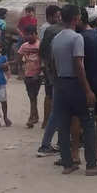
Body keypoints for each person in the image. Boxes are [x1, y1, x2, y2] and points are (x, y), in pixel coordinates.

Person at [51, 5, 97, 176]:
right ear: (76, 18)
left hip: (60, 84)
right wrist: (87, 90)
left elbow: (53, 65)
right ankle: (91, 165)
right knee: (87, 122)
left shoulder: (57, 38)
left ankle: (67, 163)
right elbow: (79, 65)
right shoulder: (76, 38)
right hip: (75, 84)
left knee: (63, 125)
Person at [79, 8, 97, 160]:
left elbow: (80, 65)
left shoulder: (80, 38)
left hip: (87, 83)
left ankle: (83, 151)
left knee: (84, 118)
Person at [36, 12, 64, 157]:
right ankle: (55, 143)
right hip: (63, 76)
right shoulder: (67, 32)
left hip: (52, 74)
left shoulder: (50, 30)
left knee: (57, 108)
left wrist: (46, 69)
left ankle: (50, 143)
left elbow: (42, 52)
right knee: (61, 110)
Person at [18, 25, 42, 128]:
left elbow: (43, 61)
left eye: (30, 35)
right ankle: (35, 115)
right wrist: (21, 73)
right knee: (31, 96)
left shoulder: (40, 45)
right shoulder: (24, 46)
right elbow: (19, 59)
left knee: (33, 95)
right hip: (28, 74)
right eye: (26, 35)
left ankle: (31, 117)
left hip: (37, 75)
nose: (28, 37)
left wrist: (39, 73)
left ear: (35, 35)